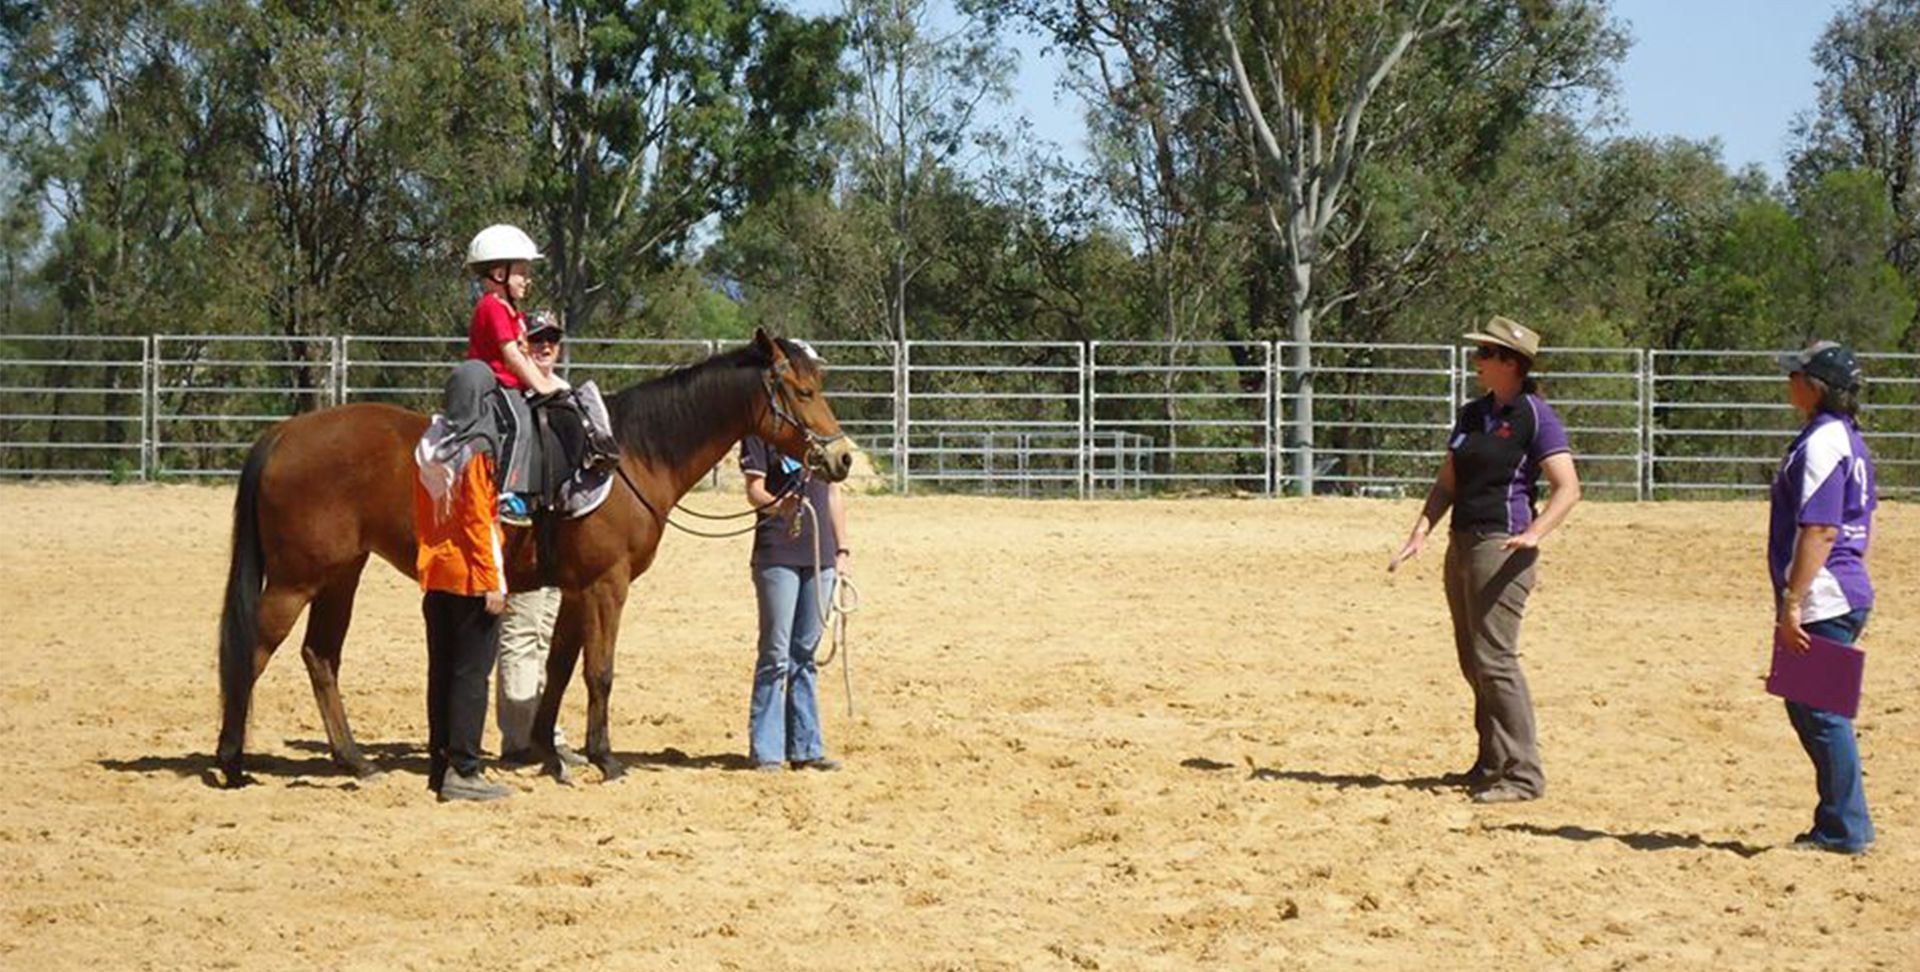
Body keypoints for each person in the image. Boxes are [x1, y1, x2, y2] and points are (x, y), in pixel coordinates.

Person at [1390, 315, 1581, 804]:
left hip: (1501, 546)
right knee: (1474, 660)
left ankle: (1523, 773)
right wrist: (1423, 529)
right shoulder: (1472, 414)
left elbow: (1567, 487)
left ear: (1511, 364)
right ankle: (1492, 760)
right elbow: (1448, 481)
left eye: (1486, 354)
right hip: (1463, 543)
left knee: (1496, 660)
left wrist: (1534, 533)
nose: (1477, 361)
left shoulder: (1535, 416)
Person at [1770, 341, 1876, 854]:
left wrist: (1794, 601)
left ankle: (1845, 827)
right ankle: (1838, 820)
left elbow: (1820, 528)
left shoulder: (1823, 442)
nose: (1788, 382)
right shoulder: (1845, 438)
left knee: (1824, 713)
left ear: (1813, 387)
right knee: (1808, 706)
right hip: (1839, 588)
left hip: (1825, 593)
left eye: (1795, 375)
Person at [739, 342, 850, 772]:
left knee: (805, 651)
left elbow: (835, 494)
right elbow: (753, 489)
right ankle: (767, 748)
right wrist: (779, 506)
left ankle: (806, 746)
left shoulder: (820, 429)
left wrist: (842, 550)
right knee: (776, 652)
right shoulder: (764, 430)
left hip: (819, 552)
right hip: (778, 551)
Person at [413, 360, 514, 802]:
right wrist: (494, 580)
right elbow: (478, 520)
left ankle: (440, 762)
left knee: (443, 671)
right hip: (471, 576)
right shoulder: (477, 449)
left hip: (435, 571)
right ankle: (465, 770)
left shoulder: (430, 444)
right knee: (473, 675)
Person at [495, 314, 587, 769]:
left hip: (561, 538)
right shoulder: (515, 399)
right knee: (520, 632)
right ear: (522, 344)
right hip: (525, 538)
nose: (546, 345)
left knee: (548, 634)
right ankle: (517, 738)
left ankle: (547, 731)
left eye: (552, 339)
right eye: (537, 339)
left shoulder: (565, 393)